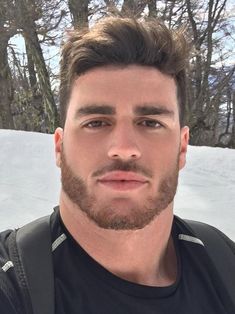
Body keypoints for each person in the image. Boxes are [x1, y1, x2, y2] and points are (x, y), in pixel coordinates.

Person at [0, 16, 235, 314]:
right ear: (60, 147)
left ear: (182, 147)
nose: (123, 148)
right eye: (96, 122)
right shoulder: (13, 284)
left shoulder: (224, 262)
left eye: (150, 122)